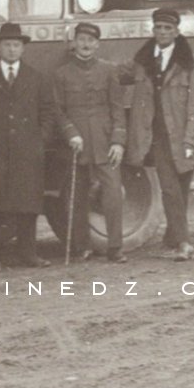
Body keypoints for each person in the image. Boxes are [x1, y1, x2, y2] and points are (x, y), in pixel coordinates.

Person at [0, 21, 76, 268]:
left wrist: (39, 139)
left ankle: (28, 253)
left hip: (27, 150)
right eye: (6, 45)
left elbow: (48, 111)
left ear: (23, 49)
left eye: (16, 45)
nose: (11, 50)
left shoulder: (36, 78)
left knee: (28, 204)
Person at [126, 7, 194, 261]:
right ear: (153, 31)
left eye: (168, 28)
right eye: (158, 28)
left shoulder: (192, 64)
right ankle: (184, 243)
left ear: (177, 31)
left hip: (183, 136)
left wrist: (190, 140)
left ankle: (173, 236)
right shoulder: (142, 62)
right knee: (170, 188)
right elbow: (119, 74)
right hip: (157, 136)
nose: (162, 32)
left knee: (182, 186)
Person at [53, 21, 128, 263]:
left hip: (105, 143)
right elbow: (58, 111)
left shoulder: (109, 71)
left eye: (91, 41)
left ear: (97, 44)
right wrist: (70, 133)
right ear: (74, 43)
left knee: (113, 193)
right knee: (76, 196)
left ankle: (115, 247)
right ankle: (81, 246)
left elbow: (118, 109)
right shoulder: (61, 74)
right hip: (77, 142)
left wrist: (118, 141)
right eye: (81, 40)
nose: (86, 45)